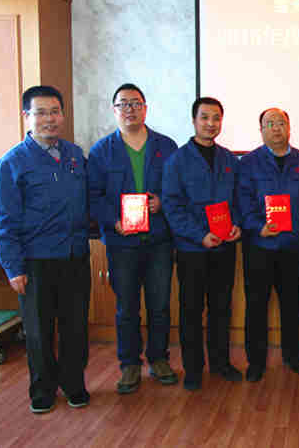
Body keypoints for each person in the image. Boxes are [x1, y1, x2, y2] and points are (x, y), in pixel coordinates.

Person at [0, 85, 91, 413]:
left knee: (75, 328)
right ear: (27, 116)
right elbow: (3, 221)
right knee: (38, 330)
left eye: (55, 112)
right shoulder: (12, 163)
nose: (49, 119)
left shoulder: (75, 155)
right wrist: (13, 268)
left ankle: (74, 384)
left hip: (75, 256)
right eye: (41, 112)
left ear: (63, 115)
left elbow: (89, 200)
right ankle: (43, 389)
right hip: (36, 261)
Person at [88, 83, 178, 393]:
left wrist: (162, 202)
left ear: (145, 108)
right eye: (123, 104)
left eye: (136, 103)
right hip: (122, 242)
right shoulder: (101, 151)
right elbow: (93, 196)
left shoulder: (166, 146)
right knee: (126, 307)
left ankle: (159, 359)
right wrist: (114, 222)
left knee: (159, 305)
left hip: (159, 240)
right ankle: (129, 364)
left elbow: (178, 188)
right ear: (114, 110)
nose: (130, 109)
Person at [161, 97, 242, 390]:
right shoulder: (177, 161)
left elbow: (239, 200)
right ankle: (193, 369)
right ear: (194, 121)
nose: (211, 123)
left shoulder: (230, 159)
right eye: (205, 117)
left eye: (216, 118)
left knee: (221, 308)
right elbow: (172, 206)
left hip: (224, 248)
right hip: (192, 249)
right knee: (191, 311)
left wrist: (237, 225)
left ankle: (221, 363)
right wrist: (199, 235)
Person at [237, 108, 299, 382]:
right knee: (256, 305)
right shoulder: (248, 163)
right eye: (269, 123)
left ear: (289, 127)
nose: (276, 128)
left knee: (291, 302)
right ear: (261, 130)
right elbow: (242, 201)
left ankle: (293, 356)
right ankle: (256, 361)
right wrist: (258, 226)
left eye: (281, 123)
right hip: (259, 245)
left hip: (291, 246)